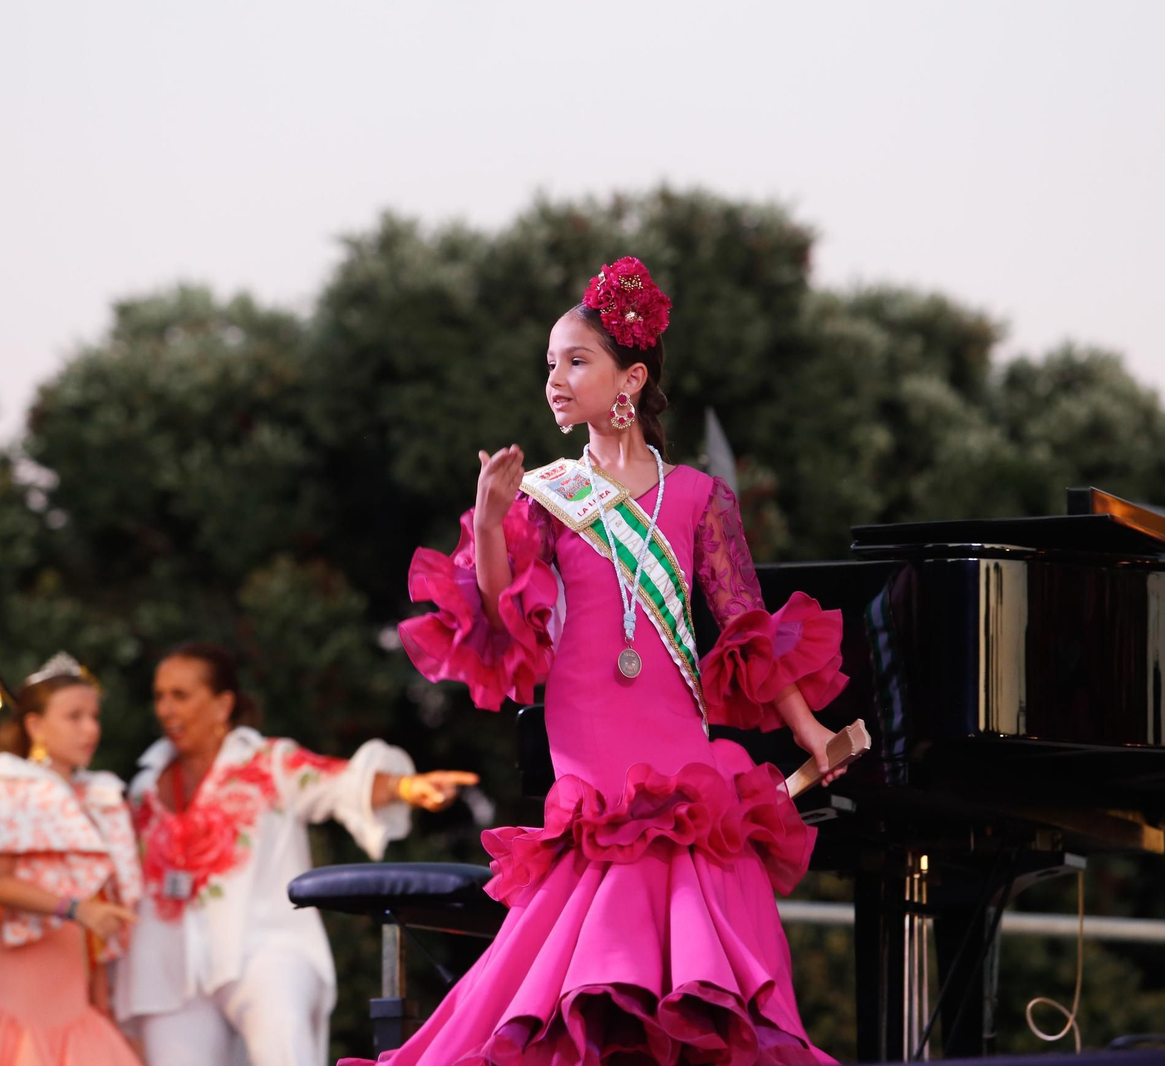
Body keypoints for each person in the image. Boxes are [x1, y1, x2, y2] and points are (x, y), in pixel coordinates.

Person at [365, 257, 852, 1064]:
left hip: (675, 732)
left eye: (575, 361)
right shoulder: (548, 491)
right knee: (594, 934)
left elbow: (745, 625)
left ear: (630, 379)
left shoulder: (699, 496)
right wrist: (489, 523)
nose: (555, 379)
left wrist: (810, 729)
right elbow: (498, 615)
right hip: (589, 734)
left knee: (684, 918)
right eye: (549, 364)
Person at [115, 640, 479, 1066]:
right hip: (172, 968)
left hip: (266, 947)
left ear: (222, 704)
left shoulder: (268, 763)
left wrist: (404, 787)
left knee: (284, 1046)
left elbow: (337, 781)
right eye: (159, 696)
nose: (165, 709)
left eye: (181, 695)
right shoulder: (143, 789)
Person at [0, 652, 143, 1066]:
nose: (90, 729)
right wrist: (76, 909)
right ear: (35, 725)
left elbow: (93, 916)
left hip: (71, 997)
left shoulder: (98, 797)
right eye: (74, 717)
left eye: (93, 716)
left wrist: (99, 998)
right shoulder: (9, 784)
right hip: (13, 992)